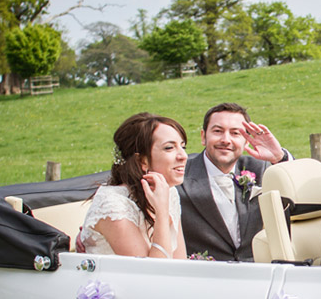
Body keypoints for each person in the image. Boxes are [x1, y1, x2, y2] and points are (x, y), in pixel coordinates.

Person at [178, 102, 291, 261]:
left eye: (235, 133)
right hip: (202, 277)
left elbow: (302, 194)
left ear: (246, 140)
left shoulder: (261, 168)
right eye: (218, 131)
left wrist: (280, 157)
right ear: (203, 137)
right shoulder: (180, 171)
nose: (226, 140)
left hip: (257, 274)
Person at [78, 112, 188, 258]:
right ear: (142, 161)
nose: (183, 156)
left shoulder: (169, 192)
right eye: (169, 148)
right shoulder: (112, 204)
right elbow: (152, 275)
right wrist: (162, 212)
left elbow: (181, 263)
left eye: (183, 147)